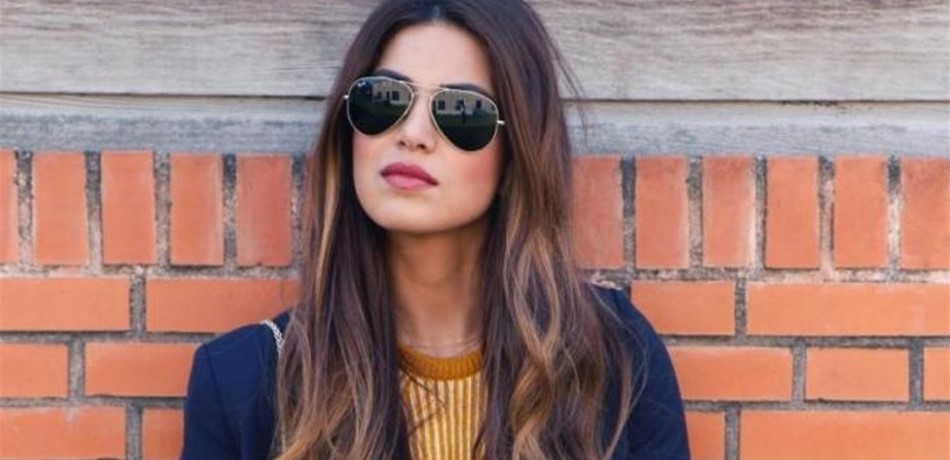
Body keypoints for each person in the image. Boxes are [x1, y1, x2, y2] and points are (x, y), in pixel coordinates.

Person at [181, 0, 689, 458]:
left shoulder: (616, 356)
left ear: (516, 157)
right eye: (385, 99)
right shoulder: (241, 383)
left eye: (461, 111)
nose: (413, 134)